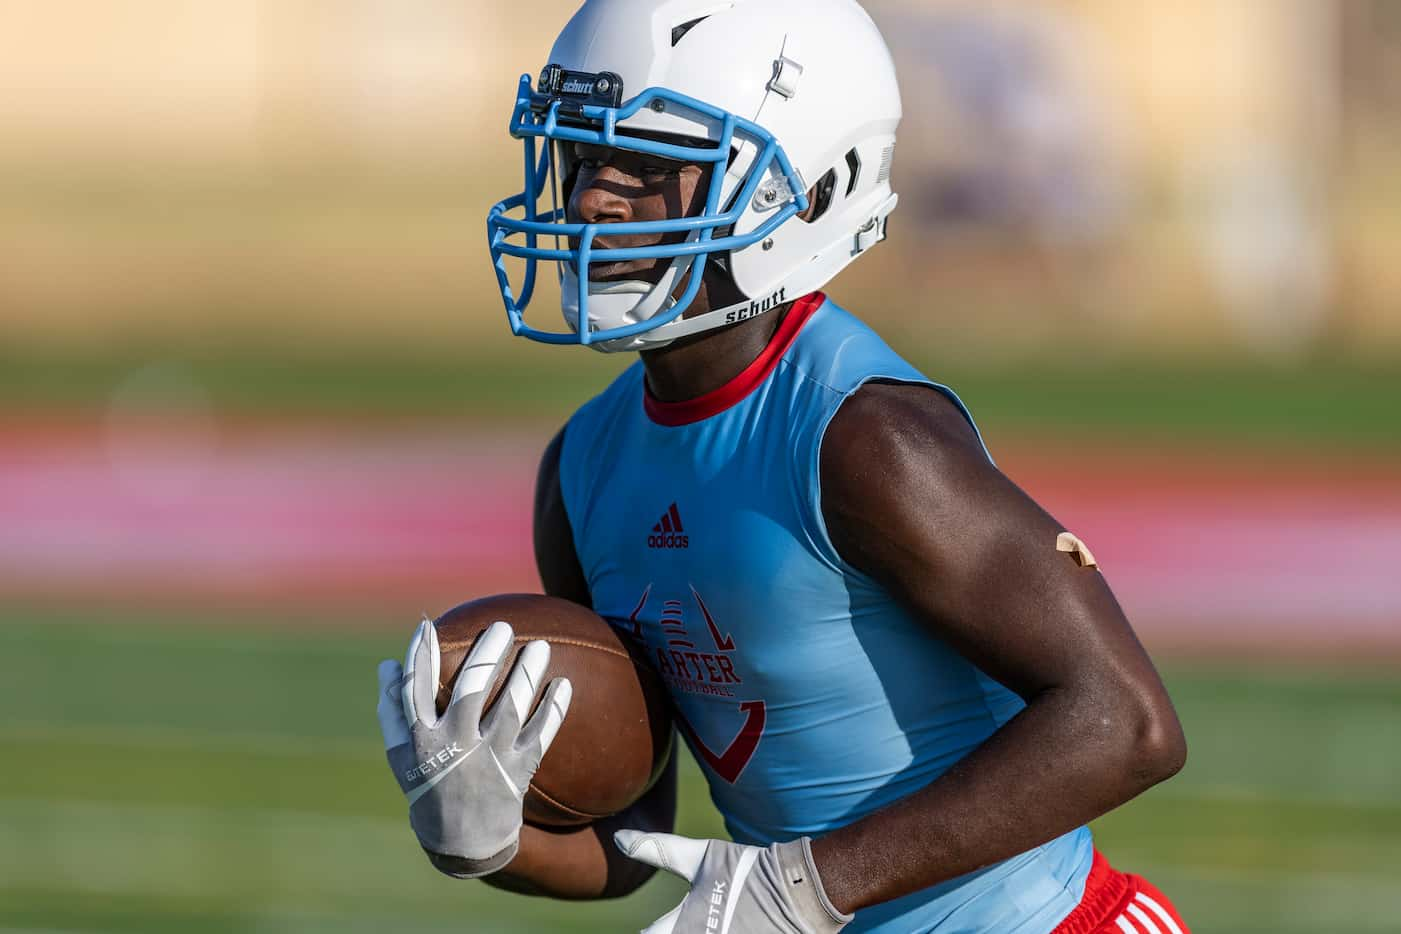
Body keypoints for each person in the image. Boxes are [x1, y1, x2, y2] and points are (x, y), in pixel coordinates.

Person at [376, 1, 1190, 931]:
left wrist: (810, 883)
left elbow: (1124, 722)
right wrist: (488, 836)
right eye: (584, 155)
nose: (596, 196)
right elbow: (641, 838)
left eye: (647, 161)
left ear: (805, 189)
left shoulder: (863, 437)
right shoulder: (583, 466)